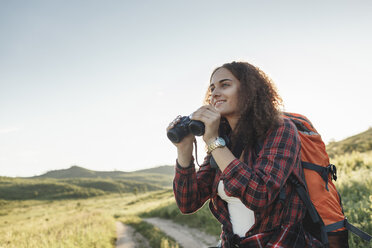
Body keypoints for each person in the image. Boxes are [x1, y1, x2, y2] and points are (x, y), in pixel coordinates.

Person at [167, 61, 322, 247]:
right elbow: (188, 203)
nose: (214, 93)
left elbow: (259, 194)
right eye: (212, 88)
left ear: (249, 90)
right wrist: (183, 150)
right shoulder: (223, 141)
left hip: (278, 242)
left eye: (225, 85)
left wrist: (213, 142)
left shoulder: (280, 130)